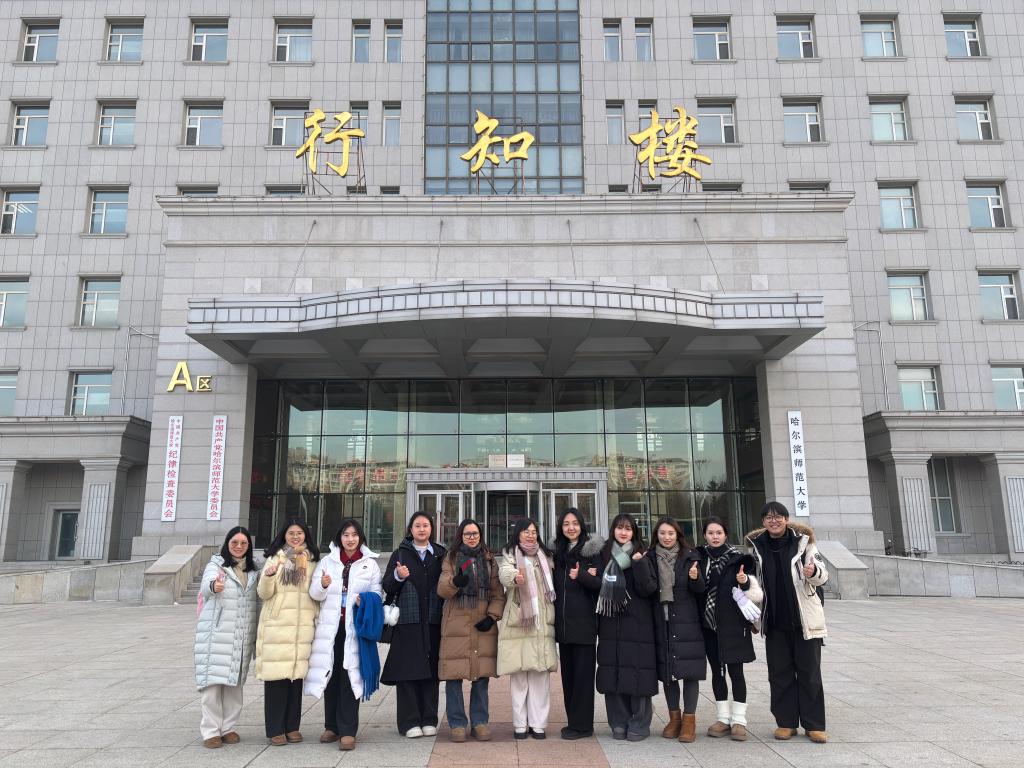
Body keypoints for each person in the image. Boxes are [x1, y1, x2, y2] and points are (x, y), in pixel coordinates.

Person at [745, 501, 829, 744]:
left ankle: (814, 725)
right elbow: (753, 583)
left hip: (803, 620)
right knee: (779, 674)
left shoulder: (803, 543)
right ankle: (786, 723)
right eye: (769, 517)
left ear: (786, 518)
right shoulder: (756, 548)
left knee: (809, 673)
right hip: (774, 622)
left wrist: (813, 573)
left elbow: (823, 576)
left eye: (778, 516)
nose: (774, 521)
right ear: (763, 522)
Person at [305, 519, 383, 751]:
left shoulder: (369, 564)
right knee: (331, 675)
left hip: (355, 628)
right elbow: (314, 594)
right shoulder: (327, 562)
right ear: (339, 537)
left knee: (350, 676)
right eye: (346, 535)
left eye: (354, 535)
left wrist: (365, 600)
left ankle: (348, 730)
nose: (350, 539)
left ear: (360, 537)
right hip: (331, 629)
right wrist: (323, 585)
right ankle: (331, 727)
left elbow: (378, 593)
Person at [437, 518, 506, 743]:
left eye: (475, 533)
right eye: (467, 534)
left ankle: (480, 722)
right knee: (454, 675)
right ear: (461, 536)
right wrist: (455, 582)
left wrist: (492, 616)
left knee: (481, 675)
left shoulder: (489, 560)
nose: (472, 537)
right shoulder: (451, 557)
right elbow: (442, 589)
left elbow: (497, 593)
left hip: (482, 623)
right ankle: (457, 724)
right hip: (456, 623)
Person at [381, 511, 447, 737]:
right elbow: (387, 586)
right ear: (411, 529)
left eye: (426, 525)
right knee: (407, 670)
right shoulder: (400, 553)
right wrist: (398, 575)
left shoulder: (440, 554)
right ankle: (409, 722)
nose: (421, 529)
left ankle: (429, 718)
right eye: (417, 525)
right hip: (408, 622)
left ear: (431, 529)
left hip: (433, 621)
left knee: (431, 671)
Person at [255, 518, 320, 746]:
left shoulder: (312, 561)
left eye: (299, 533)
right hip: (278, 625)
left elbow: (315, 593)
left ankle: (292, 726)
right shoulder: (276, 559)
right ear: (284, 535)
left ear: (305, 536)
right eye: (291, 533)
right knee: (277, 679)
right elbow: (264, 594)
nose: (295, 537)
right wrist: (268, 576)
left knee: (295, 678)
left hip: (302, 627)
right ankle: (275, 728)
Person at [594, 513, 659, 741]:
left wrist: (639, 564)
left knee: (637, 673)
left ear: (634, 532)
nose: (623, 532)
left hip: (638, 622)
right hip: (610, 620)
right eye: (620, 528)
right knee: (613, 671)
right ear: (613, 529)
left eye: (628, 528)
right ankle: (618, 722)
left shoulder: (642, 553)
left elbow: (649, 589)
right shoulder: (603, 554)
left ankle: (639, 723)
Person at [698, 515, 763, 741]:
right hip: (709, 626)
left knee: (736, 672)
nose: (715, 537)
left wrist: (744, 581)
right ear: (704, 535)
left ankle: (739, 721)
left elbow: (753, 590)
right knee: (717, 672)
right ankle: (723, 719)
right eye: (710, 533)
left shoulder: (739, 559)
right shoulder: (699, 558)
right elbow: (697, 589)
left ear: (726, 535)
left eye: (719, 533)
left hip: (734, 625)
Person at [194, 526, 260, 749]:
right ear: (227, 543)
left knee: (234, 686)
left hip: (242, 635)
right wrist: (214, 586)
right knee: (212, 686)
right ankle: (211, 731)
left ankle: (228, 728)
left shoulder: (253, 571)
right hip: (217, 635)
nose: (239, 546)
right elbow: (206, 586)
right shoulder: (216, 565)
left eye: (243, 543)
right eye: (234, 542)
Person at [497, 517, 558, 740]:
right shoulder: (510, 555)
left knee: (540, 677)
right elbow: (504, 575)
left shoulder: (546, 556)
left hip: (542, 623)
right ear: (518, 534)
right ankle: (520, 725)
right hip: (520, 623)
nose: (531, 535)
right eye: (526, 531)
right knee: (520, 678)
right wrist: (516, 576)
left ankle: (538, 724)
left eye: (534, 531)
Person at [646, 517, 706, 743]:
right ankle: (674, 719)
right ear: (656, 535)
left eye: (671, 533)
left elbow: (700, 589)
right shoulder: (650, 557)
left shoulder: (690, 556)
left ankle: (689, 721)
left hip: (687, 621)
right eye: (662, 533)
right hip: (661, 621)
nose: (666, 537)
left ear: (678, 535)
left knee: (690, 672)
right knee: (668, 672)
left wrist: (695, 578)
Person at [551, 507, 602, 740]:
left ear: (582, 525)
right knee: (569, 677)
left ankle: (583, 726)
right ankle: (573, 722)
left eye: (575, 523)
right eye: (566, 524)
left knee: (583, 678)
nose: (571, 528)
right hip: (563, 625)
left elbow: (600, 584)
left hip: (584, 624)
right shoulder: (558, 553)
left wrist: (581, 576)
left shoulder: (592, 552)